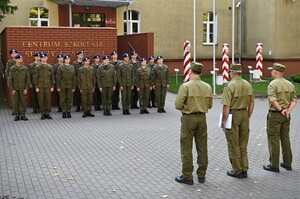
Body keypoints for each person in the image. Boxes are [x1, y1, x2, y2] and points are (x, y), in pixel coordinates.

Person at [174, 62, 213, 185]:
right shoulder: (207, 87)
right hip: (202, 118)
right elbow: (210, 105)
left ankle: (187, 176)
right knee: (202, 147)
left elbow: (178, 104)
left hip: (188, 118)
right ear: (201, 72)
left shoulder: (185, 86)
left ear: (190, 71)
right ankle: (202, 174)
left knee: (186, 147)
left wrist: (186, 109)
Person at [221, 63, 254, 179]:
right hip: (244, 113)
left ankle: (237, 170)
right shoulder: (248, 84)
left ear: (233, 72)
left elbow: (226, 106)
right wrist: (248, 116)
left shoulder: (230, 86)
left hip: (233, 114)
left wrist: (224, 121)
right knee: (243, 144)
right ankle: (245, 168)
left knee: (233, 143)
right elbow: (251, 103)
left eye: (230, 71)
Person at [263, 63, 297, 173]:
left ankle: (274, 165)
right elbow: (294, 100)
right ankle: (288, 164)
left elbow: (273, 100)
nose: (271, 72)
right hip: (287, 115)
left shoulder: (273, 84)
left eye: (272, 71)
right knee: (285, 138)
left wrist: (281, 110)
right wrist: (288, 111)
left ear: (275, 72)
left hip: (276, 114)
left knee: (274, 139)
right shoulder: (290, 84)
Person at [8, 54, 30, 121]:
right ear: (16, 60)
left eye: (21, 59)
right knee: (15, 102)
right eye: (19, 59)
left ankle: (23, 114)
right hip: (15, 89)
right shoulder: (12, 69)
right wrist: (12, 89)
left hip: (22, 88)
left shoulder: (25, 69)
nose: (21, 60)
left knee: (23, 102)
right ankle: (17, 115)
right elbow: (10, 80)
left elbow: (27, 79)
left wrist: (26, 88)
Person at [34, 53, 55, 120]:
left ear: (47, 58)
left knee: (48, 100)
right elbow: (35, 78)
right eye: (42, 58)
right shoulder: (37, 67)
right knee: (41, 100)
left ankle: (47, 113)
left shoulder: (49, 67)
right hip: (40, 86)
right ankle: (43, 113)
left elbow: (52, 77)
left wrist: (52, 86)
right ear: (40, 58)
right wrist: (36, 86)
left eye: (45, 58)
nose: (44, 59)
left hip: (48, 86)